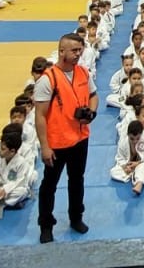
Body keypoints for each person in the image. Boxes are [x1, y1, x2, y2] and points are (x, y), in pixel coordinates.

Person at [34, 33, 98, 243]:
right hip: (57, 143)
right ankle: (46, 225)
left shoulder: (83, 72)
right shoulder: (48, 79)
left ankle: (76, 217)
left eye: (80, 50)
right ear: (62, 51)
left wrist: (92, 113)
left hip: (80, 138)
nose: (78, 54)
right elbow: (40, 116)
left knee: (77, 180)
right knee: (49, 185)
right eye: (74, 50)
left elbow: (93, 96)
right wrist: (44, 146)